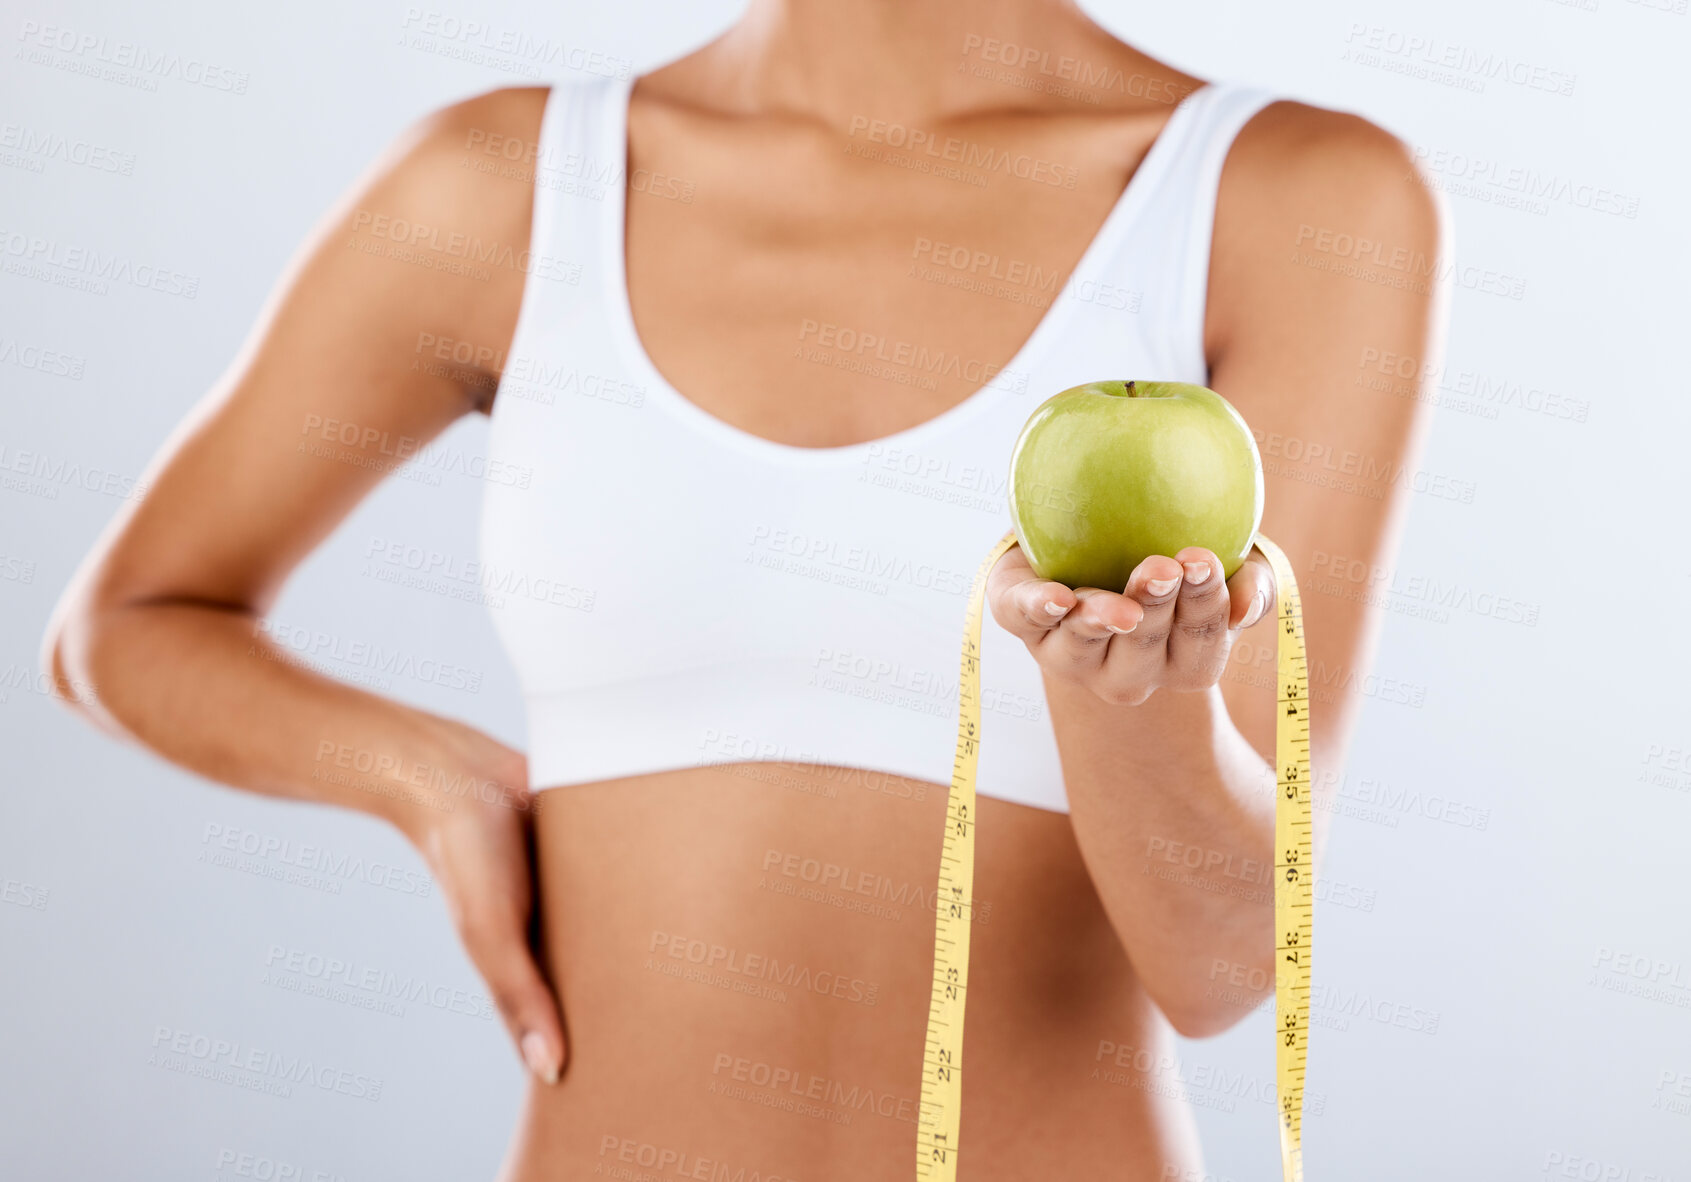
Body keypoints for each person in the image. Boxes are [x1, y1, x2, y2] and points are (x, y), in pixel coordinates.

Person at [43, 0, 1445, 1176]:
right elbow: (131, 620)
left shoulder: (1296, 200)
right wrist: (424, 777)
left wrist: (1123, 701)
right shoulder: (506, 181)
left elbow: (1222, 966)